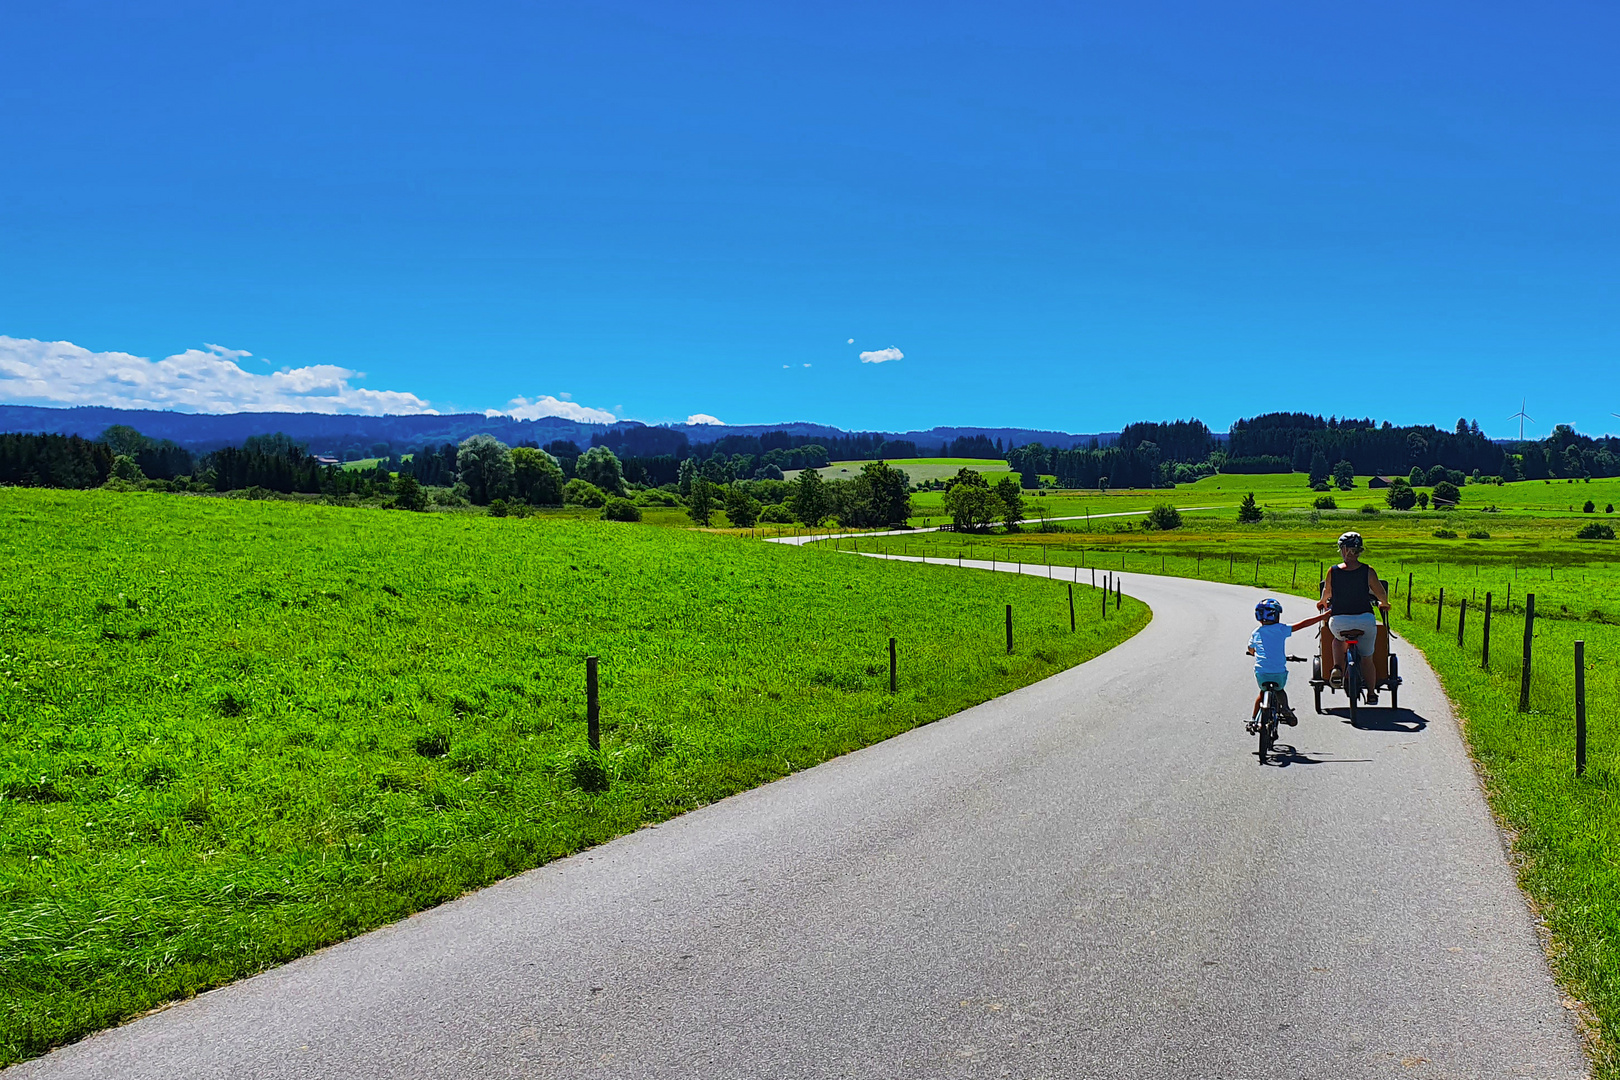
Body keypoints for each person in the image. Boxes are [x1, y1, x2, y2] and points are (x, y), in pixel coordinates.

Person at [1317, 531, 1392, 703]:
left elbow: (1326, 593)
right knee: (1367, 658)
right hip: (1365, 620)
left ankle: (1337, 667)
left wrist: (1322, 602)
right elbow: (1380, 593)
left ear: (1343, 550)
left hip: (1340, 621)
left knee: (1337, 640)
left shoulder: (1333, 571)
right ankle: (1372, 694)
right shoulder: (1368, 571)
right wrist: (1384, 603)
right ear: (1358, 551)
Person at [1247, 597, 1326, 725]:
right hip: (1278, 673)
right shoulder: (1281, 629)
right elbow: (1303, 624)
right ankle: (1285, 708)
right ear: (1277, 615)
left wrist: (1254, 652)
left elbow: (1251, 649)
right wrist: (1323, 616)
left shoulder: (1256, 632)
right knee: (1279, 690)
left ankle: (1253, 720)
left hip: (1261, 673)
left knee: (1262, 693)